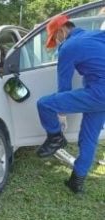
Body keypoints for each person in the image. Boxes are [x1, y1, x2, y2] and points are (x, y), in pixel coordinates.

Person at [36, 14, 105, 194]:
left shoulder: (68, 47)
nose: (57, 42)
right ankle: (76, 183)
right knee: (88, 138)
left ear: (62, 30)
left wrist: (61, 114)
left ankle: (55, 138)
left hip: (98, 92)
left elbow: (64, 85)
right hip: (98, 93)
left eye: (55, 38)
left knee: (44, 104)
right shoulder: (96, 34)